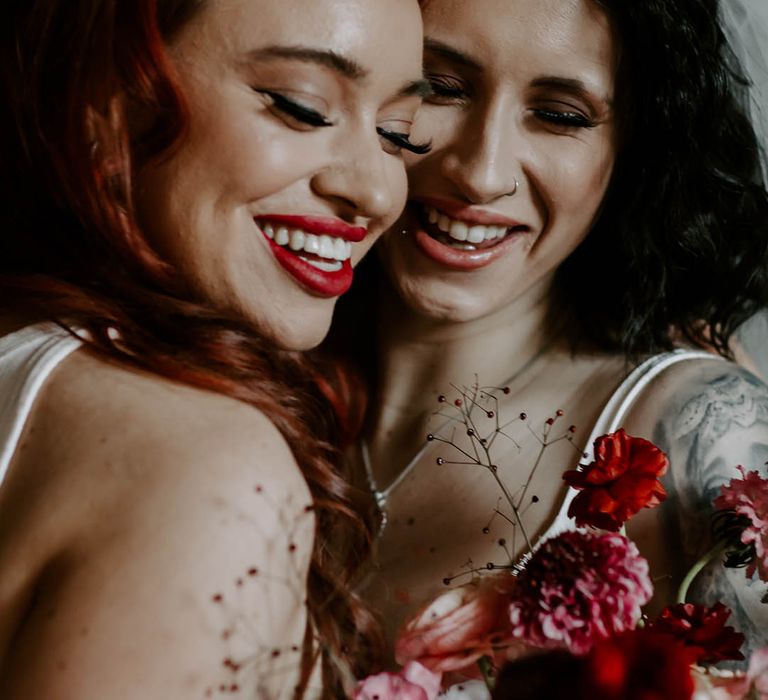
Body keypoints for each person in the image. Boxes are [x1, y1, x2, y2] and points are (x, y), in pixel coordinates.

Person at [0, 0, 428, 697]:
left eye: (398, 134)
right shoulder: (210, 469)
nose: (377, 191)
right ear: (105, 101)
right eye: (303, 107)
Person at [328, 0, 768, 666]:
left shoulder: (708, 439)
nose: (481, 173)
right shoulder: (248, 385)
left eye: (560, 116)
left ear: (631, 151)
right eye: (440, 87)